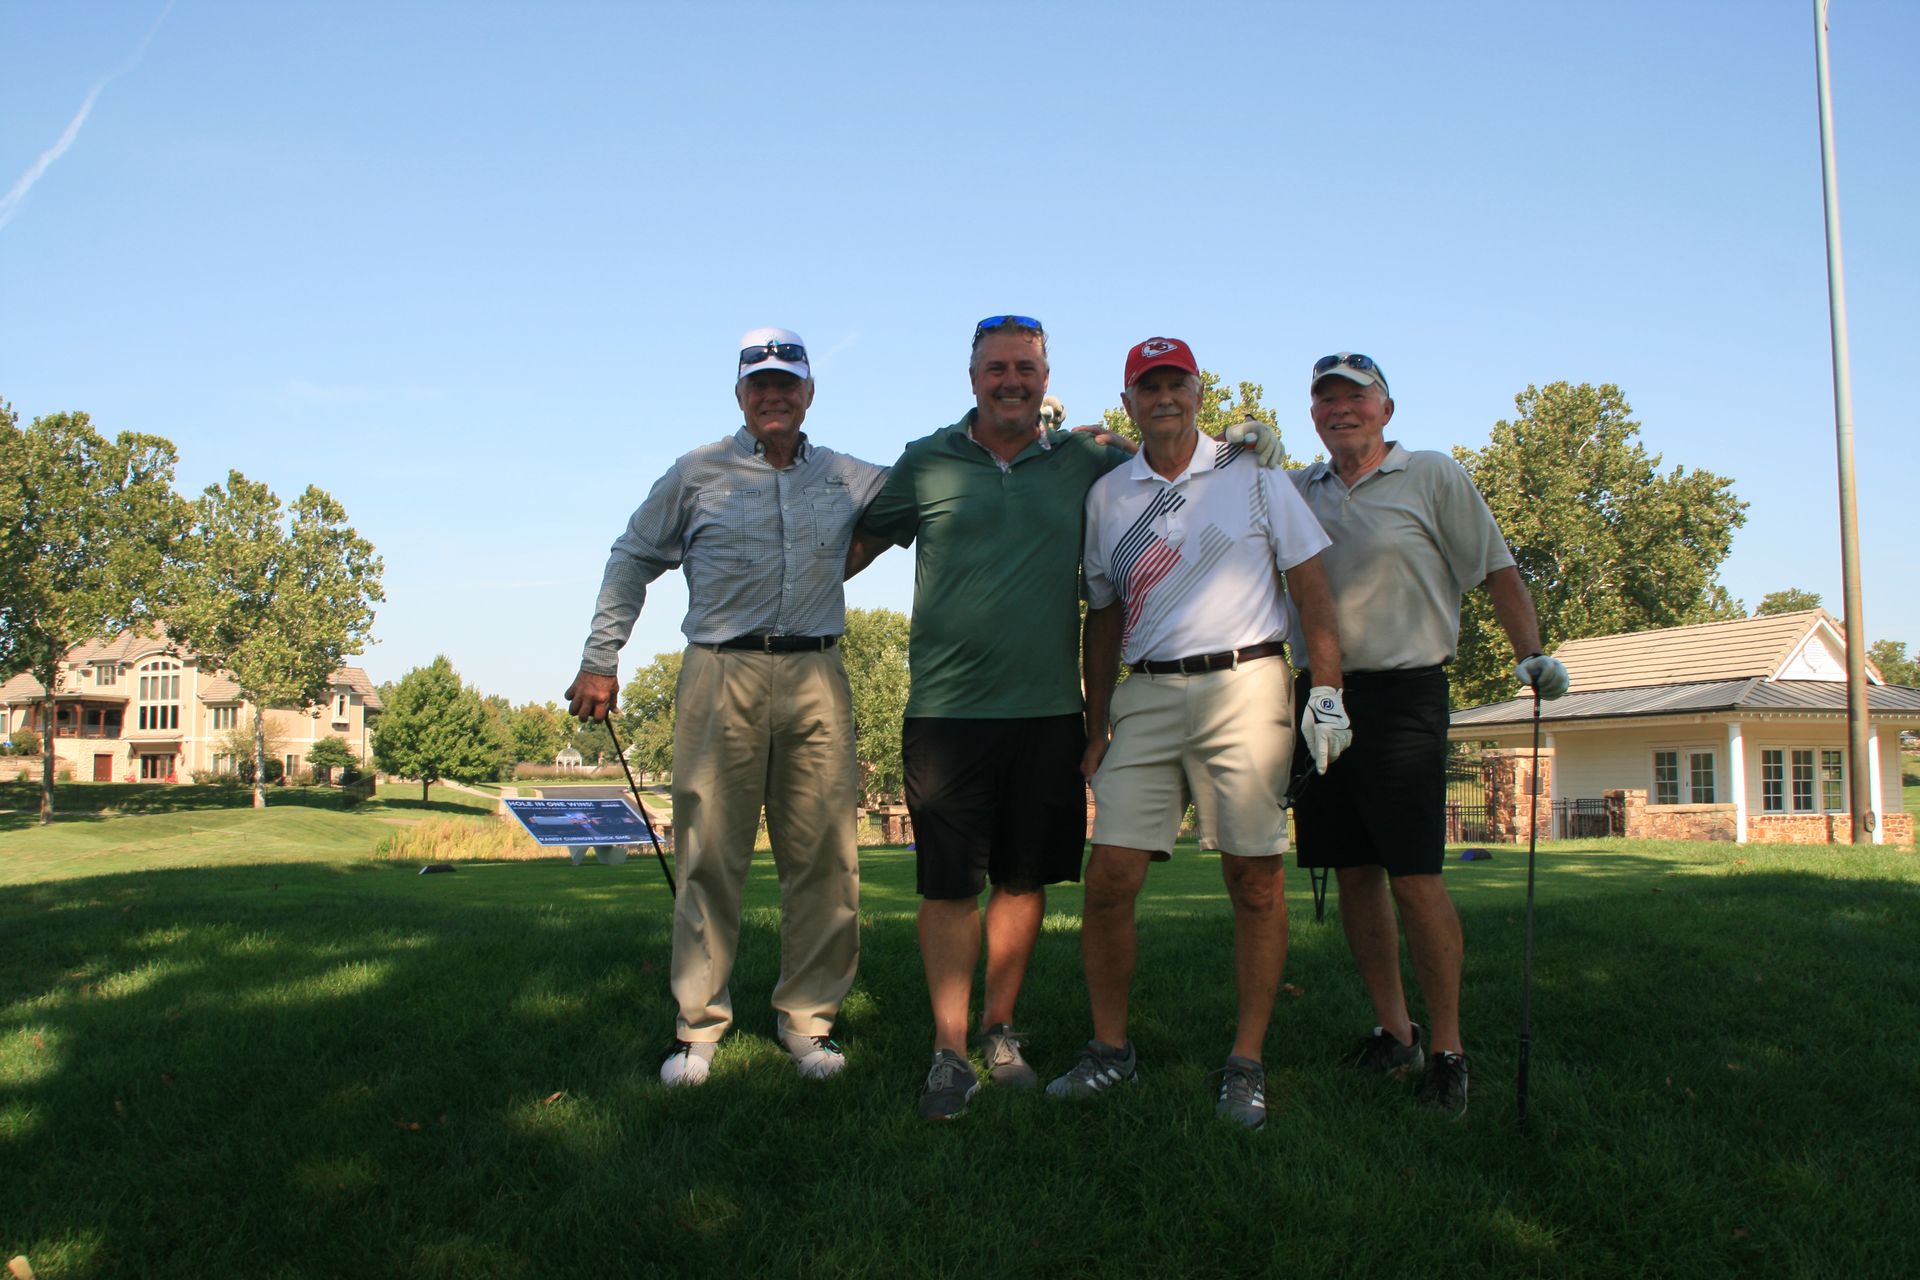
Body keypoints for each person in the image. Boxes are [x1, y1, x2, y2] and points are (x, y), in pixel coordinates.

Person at [853, 315, 1291, 1121]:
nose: (1011, 380)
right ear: (973, 377)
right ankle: (948, 1052)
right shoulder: (927, 462)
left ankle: (999, 1030)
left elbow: (1167, 461)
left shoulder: (1087, 463)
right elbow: (852, 548)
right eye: (997, 368)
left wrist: (1241, 442)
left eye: (1026, 367)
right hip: (947, 711)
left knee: (1024, 880)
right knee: (950, 884)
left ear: (1046, 380)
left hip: (1051, 708)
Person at [566, 327, 888, 1087]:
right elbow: (633, 555)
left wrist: (1053, 441)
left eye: (787, 383)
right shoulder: (697, 473)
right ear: (741, 394)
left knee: (826, 860)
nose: (774, 396)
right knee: (710, 855)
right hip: (720, 673)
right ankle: (698, 1029)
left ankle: (808, 1024)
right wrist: (599, 659)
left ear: (809, 392)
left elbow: (928, 492)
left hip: (816, 673)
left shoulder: (849, 476)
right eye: (759, 385)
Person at [1050, 336, 1351, 1129]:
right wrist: (1097, 719)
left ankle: (1246, 1062)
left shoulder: (1252, 471)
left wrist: (1327, 688)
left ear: (1198, 391)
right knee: (1110, 875)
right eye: (1147, 388)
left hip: (1246, 684)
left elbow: (1309, 582)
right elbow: (1104, 612)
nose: (1164, 399)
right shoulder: (1110, 495)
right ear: (1128, 403)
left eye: (1176, 384)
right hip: (1145, 695)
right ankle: (1110, 1049)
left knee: (1255, 880)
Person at [1288, 352, 1570, 1116]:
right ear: (1314, 414)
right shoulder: (1293, 489)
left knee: (1415, 876)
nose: (1341, 409)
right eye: (1327, 400)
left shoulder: (1432, 475)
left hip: (1406, 695)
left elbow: (1496, 569)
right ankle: (1395, 1030)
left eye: (1356, 397)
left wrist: (1529, 653)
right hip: (1319, 698)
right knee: (1352, 872)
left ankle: (1448, 1049)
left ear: (1386, 408)